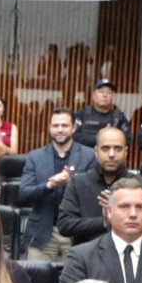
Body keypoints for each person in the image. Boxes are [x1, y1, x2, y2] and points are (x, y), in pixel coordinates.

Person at [17, 109, 91, 262]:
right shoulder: (35, 157)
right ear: (49, 128)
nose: (60, 130)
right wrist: (49, 185)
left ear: (73, 128)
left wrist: (73, 182)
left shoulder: (89, 155)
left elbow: (94, 193)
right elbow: (23, 194)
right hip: (42, 232)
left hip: (76, 233)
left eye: (64, 125)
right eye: (56, 126)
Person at [55, 124, 132, 246]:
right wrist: (104, 223)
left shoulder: (139, 185)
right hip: (86, 259)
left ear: (126, 152)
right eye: (105, 149)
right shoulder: (78, 182)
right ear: (96, 152)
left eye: (117, 149)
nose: (111, 154)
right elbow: (65, 225)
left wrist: (119, 215)